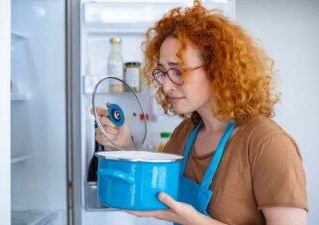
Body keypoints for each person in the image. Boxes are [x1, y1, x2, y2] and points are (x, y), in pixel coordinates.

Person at [94, 1, 308, 224]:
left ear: (218, 69)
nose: (166, 86)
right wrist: (124, 144)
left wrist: (197, 221)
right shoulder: (186, 133)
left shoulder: (268, 144)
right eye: (163, 73)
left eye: (178, 71)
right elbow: (151, 182)